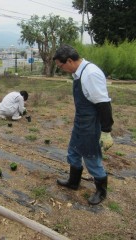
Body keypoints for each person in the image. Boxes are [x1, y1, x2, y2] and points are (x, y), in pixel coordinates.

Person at [53, 44, 114, 205]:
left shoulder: (90, 74)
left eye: (61, 66)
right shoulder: (79, 73)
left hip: (90, 124)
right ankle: (73, 182)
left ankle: (101, 192)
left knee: (91, 156)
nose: (62, 69)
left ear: (70, 61)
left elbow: (103, 103)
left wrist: (106, 130)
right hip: (80, 121)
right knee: (73, 151)